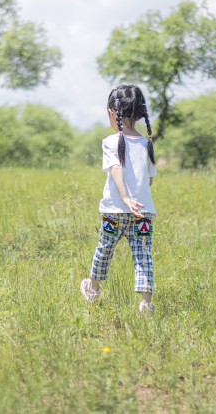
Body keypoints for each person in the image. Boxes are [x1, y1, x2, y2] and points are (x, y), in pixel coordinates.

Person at [81, 85, 157, 313]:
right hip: (143, 213)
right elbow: (150, 181)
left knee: (104, 249)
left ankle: (93, 290)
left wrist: (124, 197)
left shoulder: (110, 141)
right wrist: (134, 198)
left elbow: (115, 168)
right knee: (143, 255)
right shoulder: (147, 144)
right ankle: (146, 303)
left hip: (114, 211)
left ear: (113, 113)